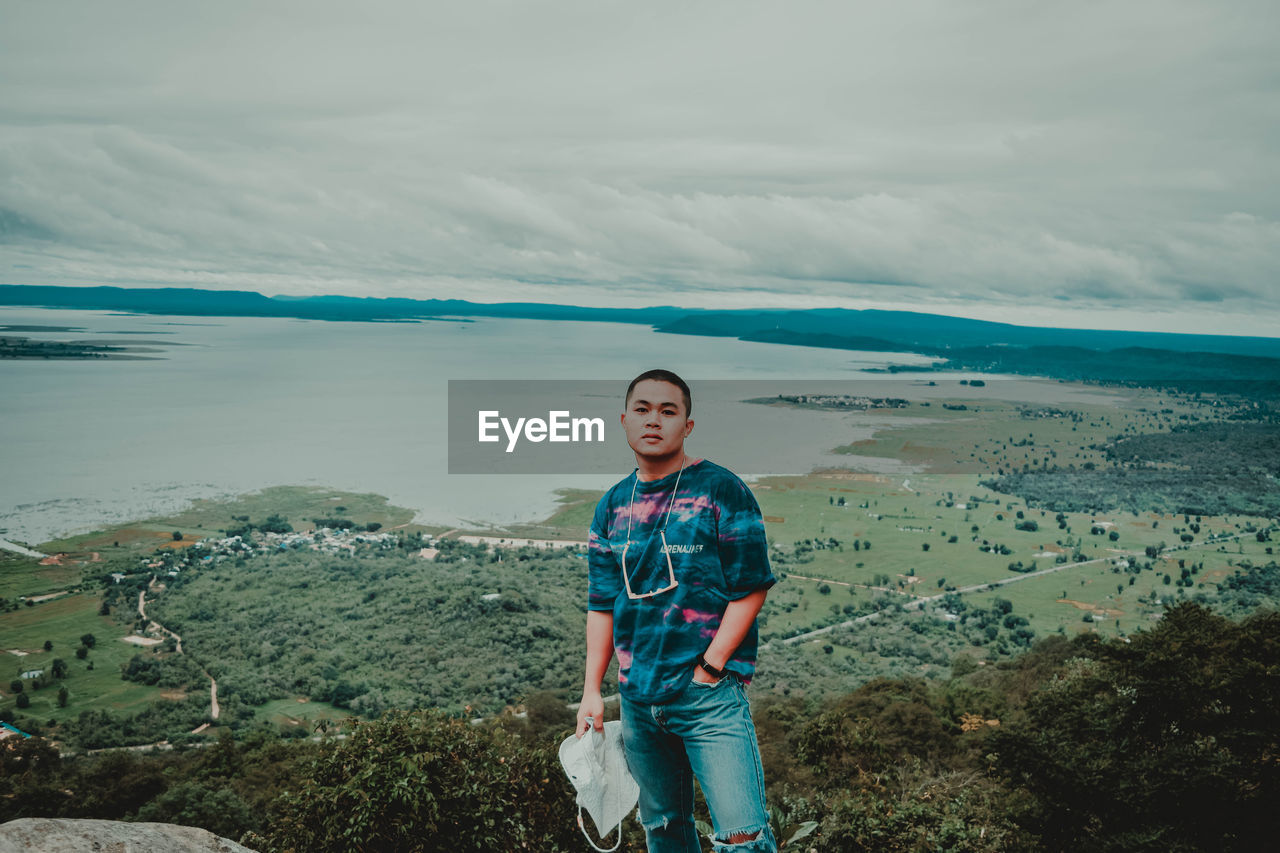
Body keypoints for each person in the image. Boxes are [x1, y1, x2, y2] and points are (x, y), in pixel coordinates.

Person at [576, 369, 778, 853]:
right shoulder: (612, 506)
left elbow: (751, 587)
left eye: (668, 411)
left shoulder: (721, 490)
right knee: (663, 830)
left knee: (743, 837)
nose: (654, 421)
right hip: (638, 701)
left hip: (707, 699)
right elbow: (603, 605)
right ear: (624, 421)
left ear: (687, 425)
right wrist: (591, 692)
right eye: (642, 410)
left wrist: (710, 668)